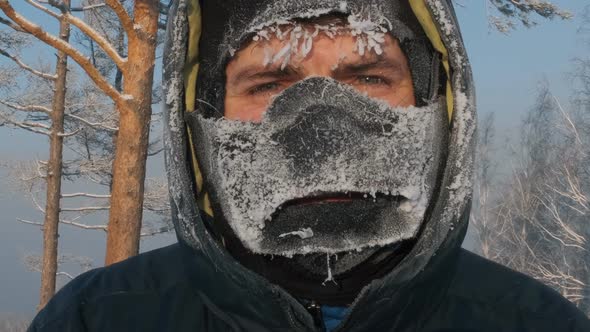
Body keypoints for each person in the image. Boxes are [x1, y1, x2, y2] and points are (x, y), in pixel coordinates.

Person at [29, 0, 590, 331]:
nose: (322, 131)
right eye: (271, 83)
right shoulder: (98, 320)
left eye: (369, 78)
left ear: (436, 105)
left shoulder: (532, 323)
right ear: (201, 119)